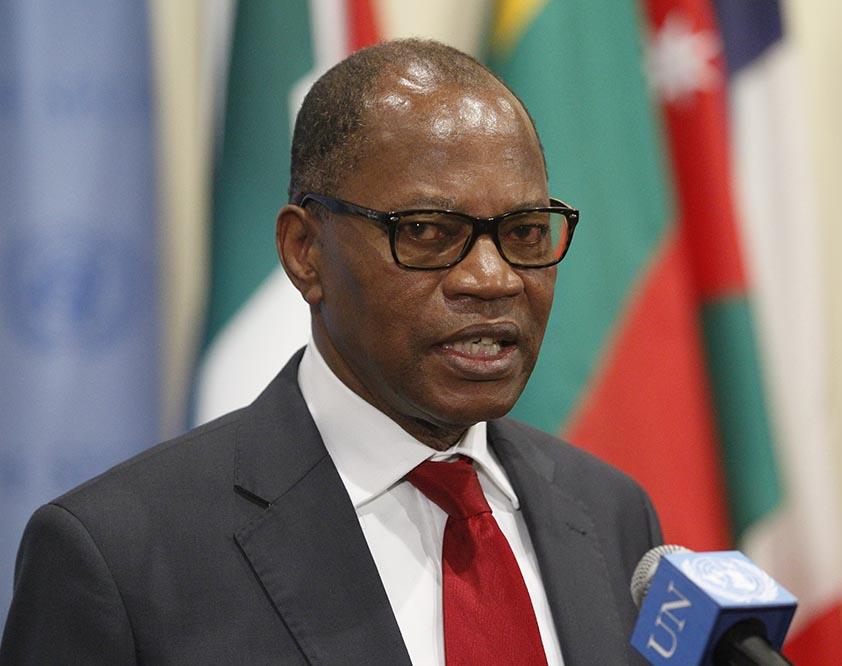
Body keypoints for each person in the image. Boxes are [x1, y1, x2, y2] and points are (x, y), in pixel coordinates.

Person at [0, 39, 661, 665]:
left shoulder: (612, 514)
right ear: (305, 252)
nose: (493, 279)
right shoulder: (120, 558)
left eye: (524, 232)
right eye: (426, 231)